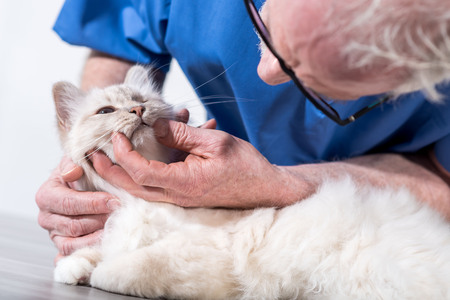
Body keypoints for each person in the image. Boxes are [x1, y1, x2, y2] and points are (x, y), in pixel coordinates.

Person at [37, 0, 450, 259]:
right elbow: (119, 31)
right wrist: (88, 159)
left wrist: (279, 185)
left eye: (303, 74)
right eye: (264, 24)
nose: (264, 72)